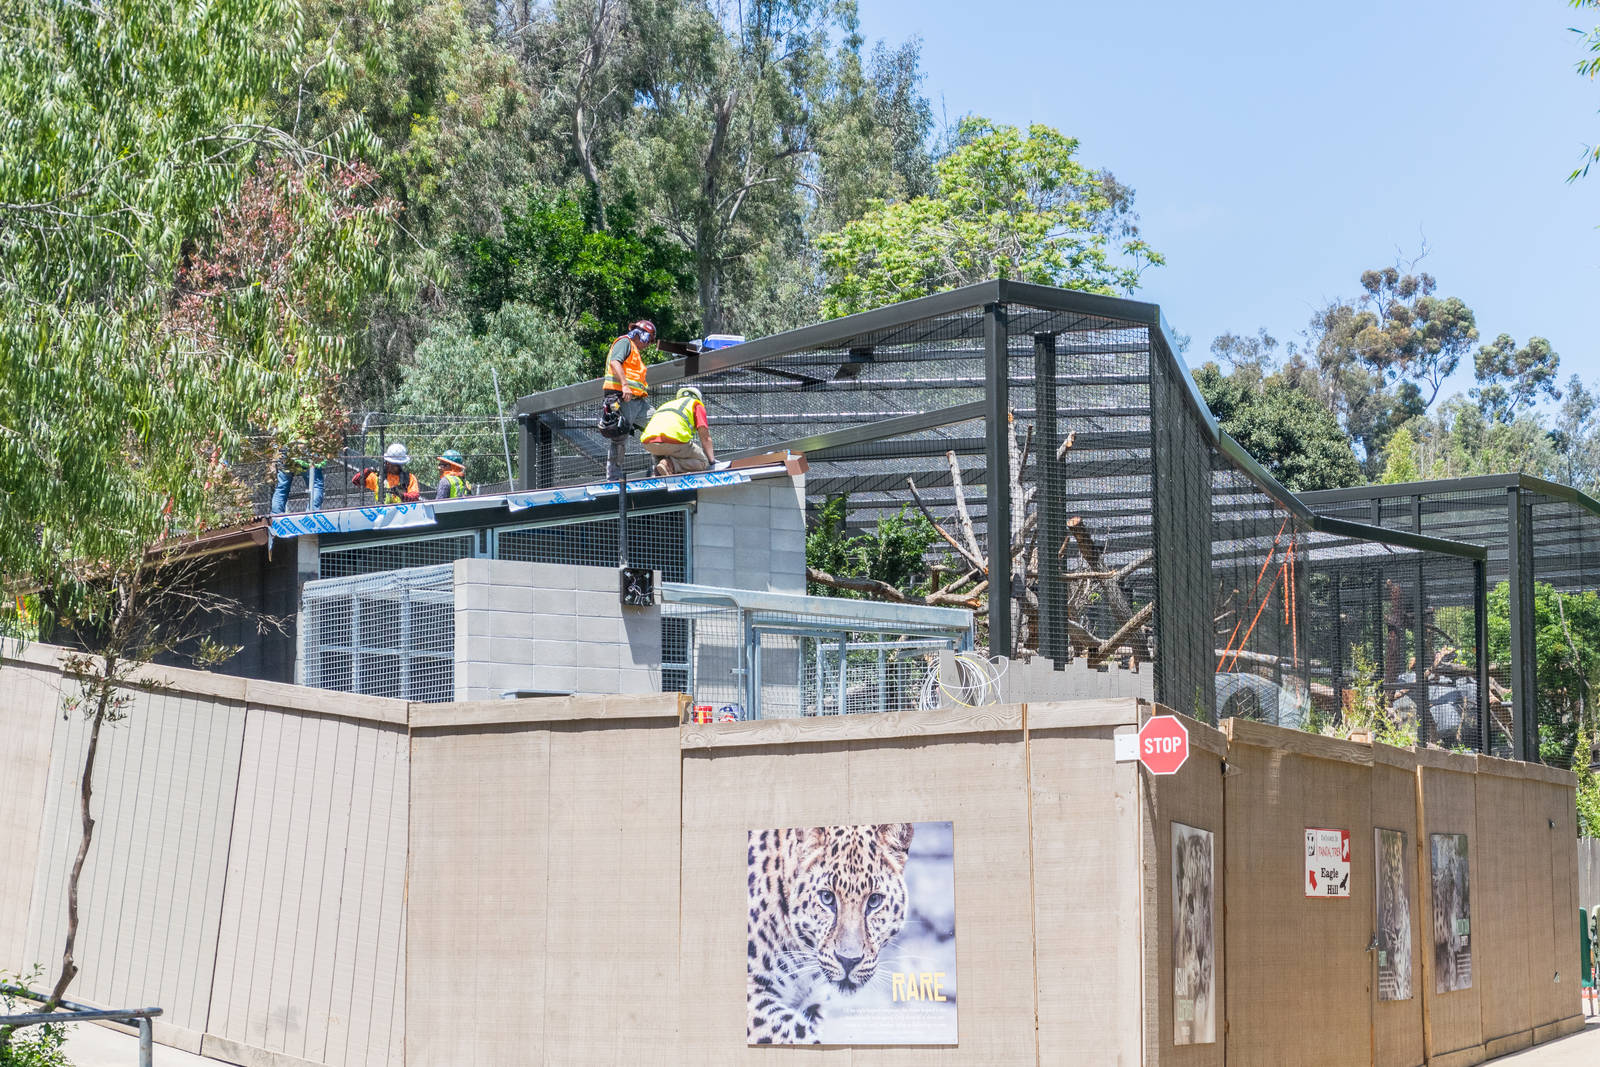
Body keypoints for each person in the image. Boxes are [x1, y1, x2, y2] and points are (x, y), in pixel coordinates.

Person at [600, 319, 657, 479]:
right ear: (642, 335)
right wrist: (625, 385)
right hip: (622, 398)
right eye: (649, 340)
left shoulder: (635, 351)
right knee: (619, 438)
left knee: (657, 424)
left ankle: (659, 469)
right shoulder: (625, 342)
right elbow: (614, 362)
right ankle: (613, 479)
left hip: (638, 401)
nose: (649, 344)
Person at [269, 393, 329, 514]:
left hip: (286, 447)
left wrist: (276, 451)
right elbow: (318, 423)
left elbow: (276, 428)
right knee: (315, 484)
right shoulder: (309, 401)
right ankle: (311, 514)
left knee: (282, 487)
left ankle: (276, 517)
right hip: (305, 446)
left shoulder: (283, 401)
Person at [641, 385, 716, 476]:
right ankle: (669, 465)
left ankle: (658, 470)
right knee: (703, 462)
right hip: (672, 442)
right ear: (697, 398)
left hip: (648, 444)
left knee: (666, 454)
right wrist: (712, 462)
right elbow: (705, 438)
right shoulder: (696, 404)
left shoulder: (666, 404)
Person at [352, 442, 421, 504]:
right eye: (390, 463)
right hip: (381, 513)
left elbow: (415, 497)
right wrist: (368, 470)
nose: (391, 466)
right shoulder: (378, 476)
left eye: (395, 464)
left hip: (402, 515)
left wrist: (402, 495)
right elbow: (356, 481)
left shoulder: (409, 478)